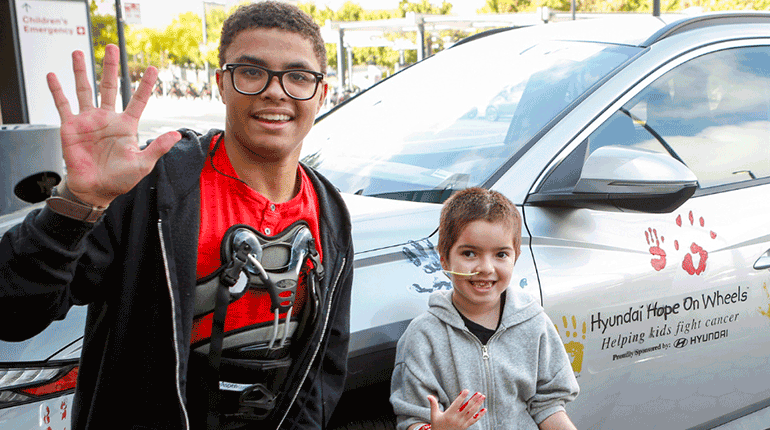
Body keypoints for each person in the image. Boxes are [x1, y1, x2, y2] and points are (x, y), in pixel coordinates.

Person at [0, 2, 353, 429]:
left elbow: (321, 368)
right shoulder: (152, 183)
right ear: (222, 84)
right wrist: (77, 203)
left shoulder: (329, 210)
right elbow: (15, 312)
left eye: (298, 76)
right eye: (251, 72)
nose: (275, 91)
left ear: (322, 92)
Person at [390, 187, 579, 430]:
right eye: (470, 253)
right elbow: (413, 419)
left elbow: (549, 406)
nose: (486, 268)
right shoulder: (423, 335)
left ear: (515, 257)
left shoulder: (535, 323)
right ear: (444, 259)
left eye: (501, 254)